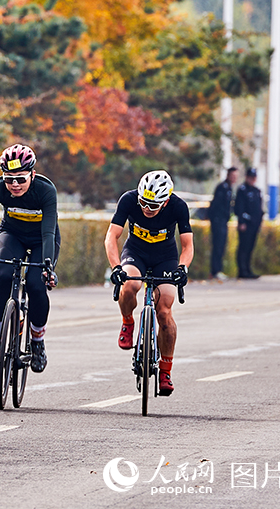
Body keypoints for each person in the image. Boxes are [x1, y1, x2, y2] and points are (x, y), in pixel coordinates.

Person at [104, 170, 192, 397]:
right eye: (143, 202)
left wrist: (183, 268)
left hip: (165, 257)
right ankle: (127, 322)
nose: (146, 208)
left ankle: (165, 371)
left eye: (153, 205)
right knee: (129, 285)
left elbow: (187, 245)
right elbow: (111, 237)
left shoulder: (178, 206)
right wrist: (115, 268)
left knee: (164, 311)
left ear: (165, 202)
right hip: (136, 252)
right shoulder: (128, 200)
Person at [0, 144, 59, 374]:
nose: (15, 185)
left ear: (32, 173)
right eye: (9, 179)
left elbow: (49, 232)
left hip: (42, 239)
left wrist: (48, 267)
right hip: (12, 235)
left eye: (20, 179)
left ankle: (38, 342)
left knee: (35, 284)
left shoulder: (45, 190)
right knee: (2, 275)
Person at [208, 167, 237, 281]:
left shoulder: (229, 188)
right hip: (218, 221)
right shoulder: (222, 188)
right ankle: (215, 271)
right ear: (228, 175)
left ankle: (218, 269)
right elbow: (217, 205)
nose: (234, 178)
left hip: (223, 221)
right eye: (233, 176)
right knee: (218, 246)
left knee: (221, 246)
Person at [234, 167, 263, 279]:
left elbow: (259, 208)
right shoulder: (242, 190)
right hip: (246, 223)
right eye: (250, 177)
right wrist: (241, 222)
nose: (252, 180)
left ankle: (248, 268)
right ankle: (242, 270)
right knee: (244, 247)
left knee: (250, 247)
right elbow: (239, 208)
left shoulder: (256, 191)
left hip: (254, 224)